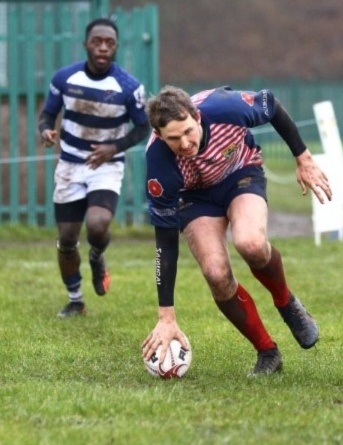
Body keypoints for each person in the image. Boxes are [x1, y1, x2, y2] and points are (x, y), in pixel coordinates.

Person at [140, 85, 330, 376]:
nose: (185, 143)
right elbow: (165, 242)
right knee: (216, 274)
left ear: (196, 115)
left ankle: (286, 303)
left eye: (188, 131)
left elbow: (272, 106)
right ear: (159, 135)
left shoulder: (226, 108)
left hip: (240, 173)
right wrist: (167, 315)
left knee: (251, 243)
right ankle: (267, 352)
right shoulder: (158, 160)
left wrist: (303, 158)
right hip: (195, 198)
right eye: (173, 139)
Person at [38, 17, 150, 318]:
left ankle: (97, 255)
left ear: (116, 47)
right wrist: (46, 130)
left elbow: (143, 128)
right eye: (97, 41)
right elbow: (47, 114)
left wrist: (114, 147)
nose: (102, 47)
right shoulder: (65, 78)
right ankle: (75, 300)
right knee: (66, 239)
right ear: (86, 44)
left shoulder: (129, 88)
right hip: (70, 164)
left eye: (109, 43)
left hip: (107, 166)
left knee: (98, 224)